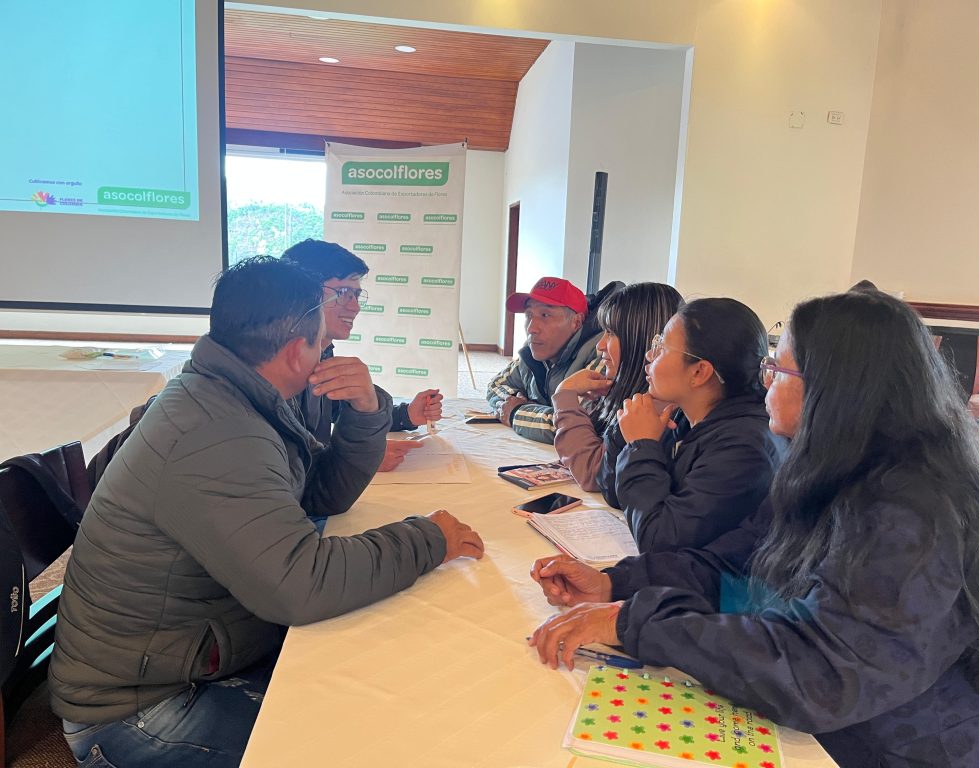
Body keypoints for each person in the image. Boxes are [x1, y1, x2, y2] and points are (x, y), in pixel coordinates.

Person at [529, 289, 979, 767]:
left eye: (777, 370)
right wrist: (616, 584)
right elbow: (736, 562)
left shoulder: (913, 513)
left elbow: (819, 674)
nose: (764, 384)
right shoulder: (831, 471)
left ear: (834, 390)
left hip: (915, 747)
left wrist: (636, 622)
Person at [50, 257, 484, 767]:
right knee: (374, 744)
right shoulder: (215, 431)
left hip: (190, 657)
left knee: (382, 678)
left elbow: (322, 496)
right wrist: (427, 539)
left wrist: (367, 413)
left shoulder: (237, 395)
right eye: (321, 341)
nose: (327, 350)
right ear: (298, 351)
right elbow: (301, 585)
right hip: (137, 712)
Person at [599, 297, 786, 553]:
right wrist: (627, 428)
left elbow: (659, 539)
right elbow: (614, 493)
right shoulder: (683, 416)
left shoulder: (743, 448)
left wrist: (640, 445)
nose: (649, 356)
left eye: (661, 347)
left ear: (699, 372)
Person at [281, 238, 444, 472]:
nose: (355, 307)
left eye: (356, 295)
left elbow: (340, 411)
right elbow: (286, 464)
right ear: (302, 294)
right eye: (343, 293)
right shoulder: (277, 368)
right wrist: (360, 457)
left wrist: (407, 415)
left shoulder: (324, 353)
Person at [551, 282, 681, 491]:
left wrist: (565, 395)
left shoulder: (657, 404)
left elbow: (593, 473)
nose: (600, 345)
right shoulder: (618, 386)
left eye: (611, 333)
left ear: (641, 340)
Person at [486, 276, 618, 444]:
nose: (531, 328)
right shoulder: (532, 349)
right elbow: (495, 385)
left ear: (576, 322)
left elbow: (576, 425)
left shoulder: (602, 353)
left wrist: (515, 412)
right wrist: (512, 402)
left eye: (545, 315)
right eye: (528, 315)